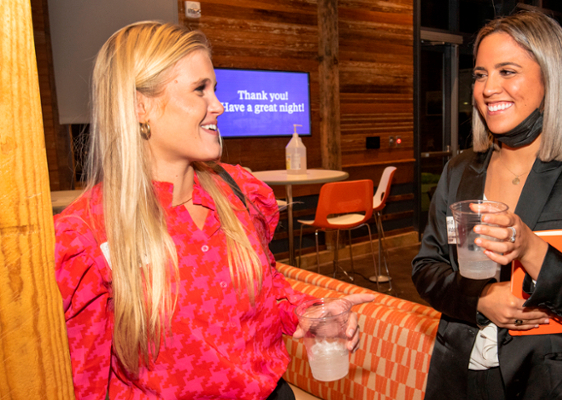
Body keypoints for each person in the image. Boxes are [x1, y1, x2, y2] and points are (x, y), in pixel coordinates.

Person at [54, 21, 373, 399]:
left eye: (215, 89)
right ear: (140, 105)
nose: (219, 106)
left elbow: (269, 288)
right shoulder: (87, 235)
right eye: (199, 90)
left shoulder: (237, 191)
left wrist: (307, 313)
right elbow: (84, 385)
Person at [412, 11, 562, 400]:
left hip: (551, 384)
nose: (489, 89)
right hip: (459, 377)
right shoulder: (460, 169)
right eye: (481, 74)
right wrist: (483, 298)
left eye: (507, 71)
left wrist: (532, 248)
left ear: (550, 79)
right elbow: (427, 268)